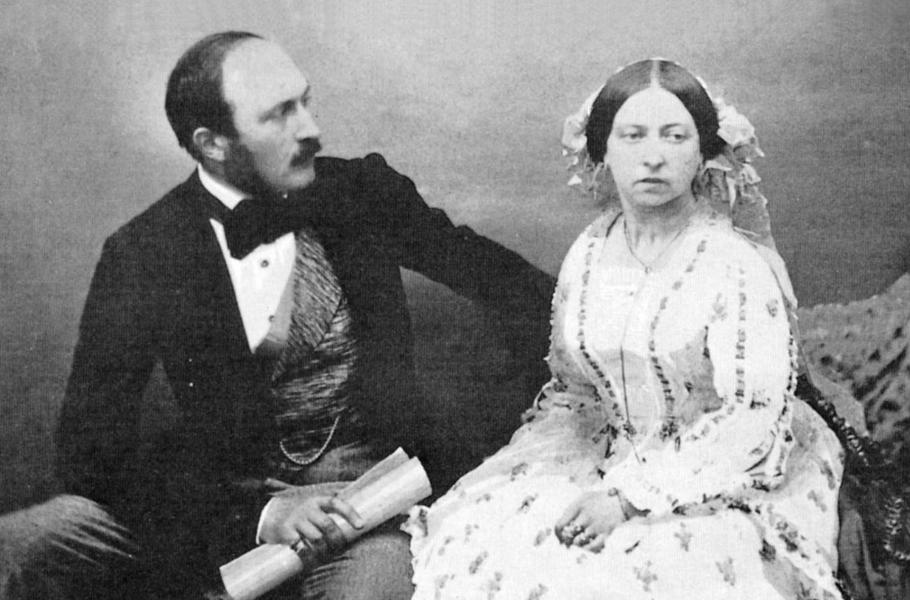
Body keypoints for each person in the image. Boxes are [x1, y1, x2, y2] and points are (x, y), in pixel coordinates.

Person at [10, 30, 555, 600]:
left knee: (372, 591)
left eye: (305, 102)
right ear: (212, 143)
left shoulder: (361, 192)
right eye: (278, 115)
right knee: (23, 543)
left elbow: (501, 278)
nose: (311, 130)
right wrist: (261, 513)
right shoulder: (144, 250)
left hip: (359, 502)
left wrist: (609, 318)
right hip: (215, 506)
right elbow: (88, 452)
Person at [406, 59, 846, 599]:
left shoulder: (734, 263)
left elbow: (750, 418)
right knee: (496, 544)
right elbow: (574, 390)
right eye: (633, 135)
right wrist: (569, 474)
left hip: (724, 469)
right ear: (602, 151)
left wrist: (628, 498)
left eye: (675, 136)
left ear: (703, 151)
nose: (653, 155)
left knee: (638, 572)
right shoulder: (592, 252)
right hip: (604, 453)